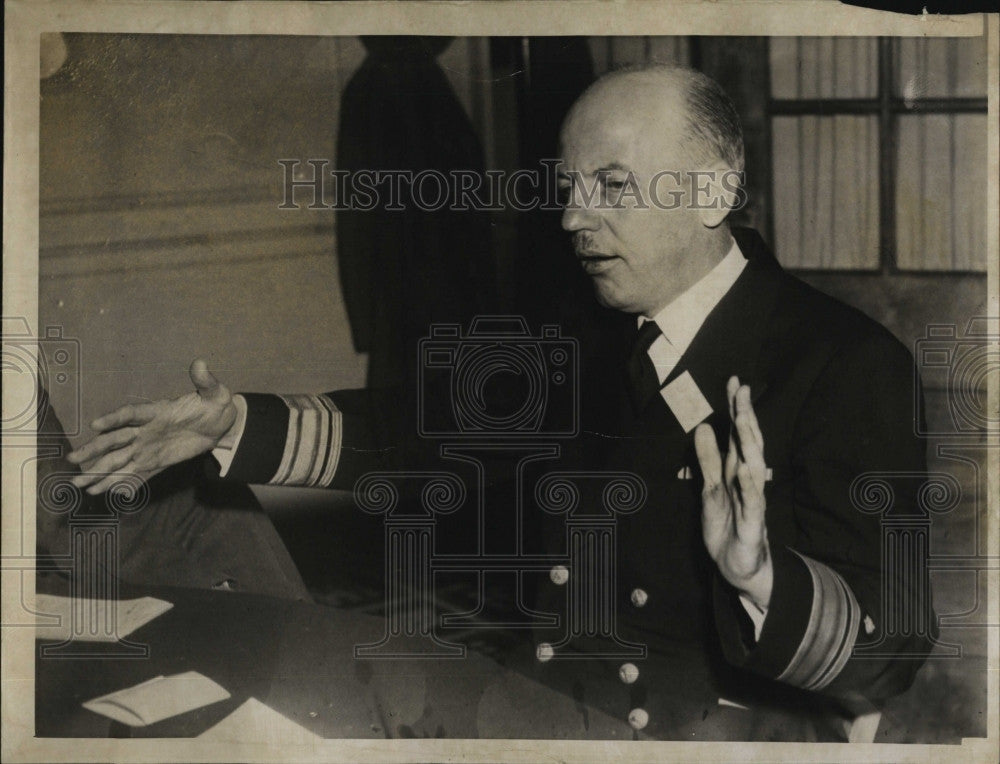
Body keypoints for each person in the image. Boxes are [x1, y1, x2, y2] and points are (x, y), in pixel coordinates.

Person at [67, 64, 930, 740]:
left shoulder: (847, 365)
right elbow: (419, 434)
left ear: (712, 190)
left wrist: (764, 580)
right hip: (539, 699)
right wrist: (236, 424)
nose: (571, 217)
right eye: (569, 184)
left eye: (612, 185)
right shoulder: (588, 331)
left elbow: (888, 646)